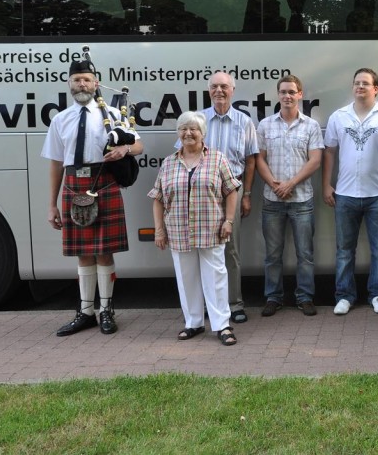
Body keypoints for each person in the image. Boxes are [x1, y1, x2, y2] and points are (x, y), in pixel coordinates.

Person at [42, 58, 144, 337]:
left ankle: (107, 311)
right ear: (69, 85)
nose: (82, 84)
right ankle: (86, 312)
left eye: (87, 79)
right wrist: (52, 205)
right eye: (77, 80)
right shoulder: (60, 120)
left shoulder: (112, 113)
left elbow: (138, 144)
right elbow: (55, 163)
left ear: (96, 83)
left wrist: (124, 150)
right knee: (83, 254)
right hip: (74, 184)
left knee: (104, 252)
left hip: (104, 182)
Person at [150, 111, 242, 346]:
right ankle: (193, 323)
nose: (188, 133)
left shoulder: (217, 159)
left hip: (211, 230)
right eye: (183, 129)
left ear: (203, 133)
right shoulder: (169, 162)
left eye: (193, 129)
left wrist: (229, 221)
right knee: (186, 278)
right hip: (179, 231)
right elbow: (158, 198)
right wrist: (159, 230)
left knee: (216, 278)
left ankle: (222, 325)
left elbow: (231, 191)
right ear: (178, 133)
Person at [179, 71, 258, 324]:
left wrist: (246, 193)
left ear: (232, 90)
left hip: (231, 195)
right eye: (214, 86)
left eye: (224, 86)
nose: (219, 91)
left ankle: (234, 305)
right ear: (209, 90)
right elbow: (182, 153)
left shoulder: (244, 121)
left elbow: (250, 160)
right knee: (202, 250)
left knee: (230, 251)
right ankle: (206, 307)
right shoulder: (198, 120)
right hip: (203, 195)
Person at [322, 68, 378, 315]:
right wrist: (326, 184)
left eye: (365, 83)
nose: (360, 87)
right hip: (345, 193)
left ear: (376, 88)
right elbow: (329, 151)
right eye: (356, 83)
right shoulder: (338, 117)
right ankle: (344, 295)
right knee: (344, 249)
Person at [257, 74, 324, 317]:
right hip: (272, 200)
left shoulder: (311, 126)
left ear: (300, 94)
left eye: (291, 92)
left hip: (302, 200)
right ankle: (273, 298)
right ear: (278, 95)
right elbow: (259, 159)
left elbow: (316, 160)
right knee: (272, 254)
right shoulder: (265, 125)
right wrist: (275, 184)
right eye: (283, 92)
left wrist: (291, 183)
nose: (287, 96)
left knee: (305, 254)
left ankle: (305, 296)